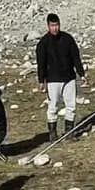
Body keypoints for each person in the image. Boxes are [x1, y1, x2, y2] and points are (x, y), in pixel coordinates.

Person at [35, 13, 85, 141]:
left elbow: (75, 57)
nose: (55, 28)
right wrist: (41, 80)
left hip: (69, 77)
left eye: (56, 25)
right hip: (53, 79)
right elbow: (41, 63)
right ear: (48, 26)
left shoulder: (68, 39)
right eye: (52, 26)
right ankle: (53, 134)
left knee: (71, 105)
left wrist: (82, 74)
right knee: (53, 106)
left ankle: (69, 132)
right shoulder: (43, 43)